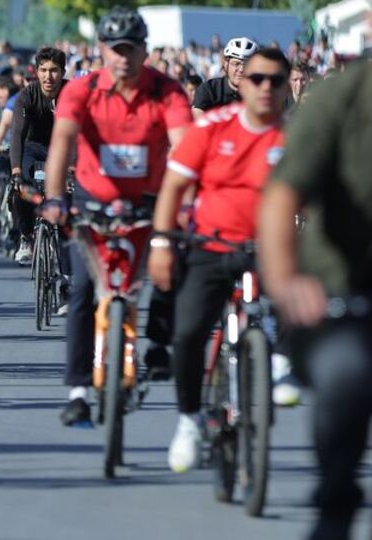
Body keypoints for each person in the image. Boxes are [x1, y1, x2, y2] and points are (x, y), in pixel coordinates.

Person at [40, 7, 192, 426]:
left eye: (131, 48)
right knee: (83, 291)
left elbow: (184, 147)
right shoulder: (82, 90)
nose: (123, 57)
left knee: (170, 263)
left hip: (152, 200)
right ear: (102, 50)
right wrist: (55, 199)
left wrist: (186, 202)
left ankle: (158, 344)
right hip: (93, 202)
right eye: (115, 48)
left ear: (144, 51)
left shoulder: (167, 91)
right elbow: (62, 145)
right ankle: (77, 390)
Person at [146, 48, 290, 473]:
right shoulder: (210, 127)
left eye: (276, 80)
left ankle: (280, 360)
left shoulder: (297, 136)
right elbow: (173, 187)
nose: (266, 87)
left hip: (270, 249)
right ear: (241, 83)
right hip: (211, 247)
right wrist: (161, 244)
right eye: (257, 79)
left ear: (286, 87)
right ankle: (190, 419)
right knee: (188, 333)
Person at [257, 58, 372, 540]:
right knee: (347, 373)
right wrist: (286, 281)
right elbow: (283, 194)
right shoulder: (340, 98)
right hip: (344, 291)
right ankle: (336, 504)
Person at [8, 47, 68, 266]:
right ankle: (25, 236)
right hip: (32, 147)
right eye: (43, 70)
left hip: (63, 148)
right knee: (21, 190)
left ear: (62, 72)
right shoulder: (27, 95)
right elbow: (17, 133)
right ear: (37, 71)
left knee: (70, 192)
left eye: (53, 70)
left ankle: (65, 248)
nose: (48, 76)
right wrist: (16, 172)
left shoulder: (72, 93)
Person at [192, 37, 259, 117]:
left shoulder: (260, 93)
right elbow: (198, 120)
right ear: (226, 64)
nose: (241, 69)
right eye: (236, 64)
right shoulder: (209, 89)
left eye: (246, 65)